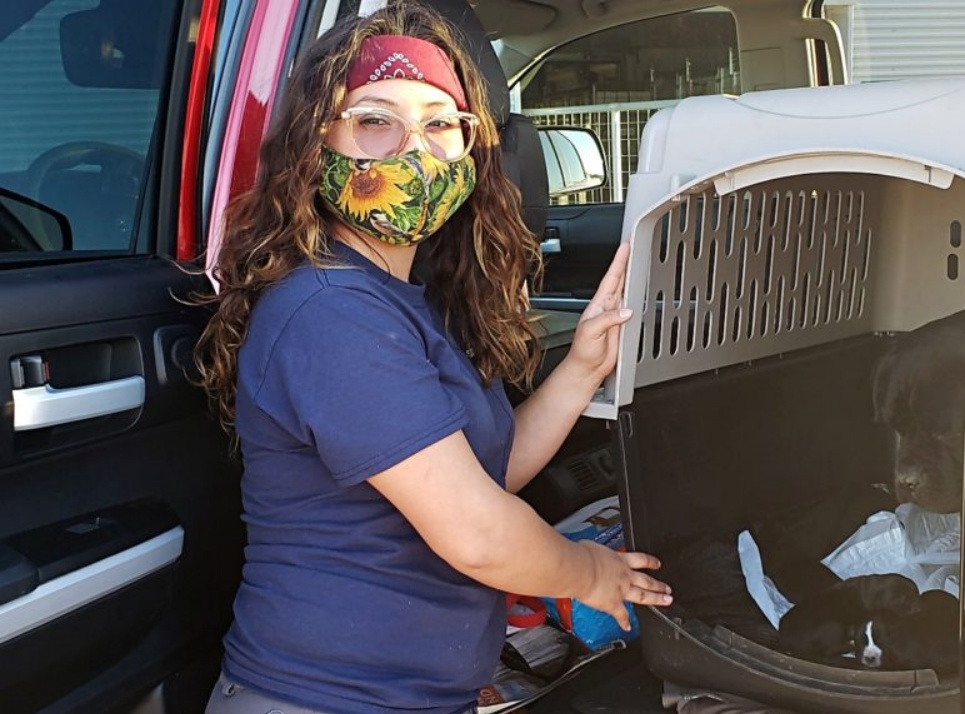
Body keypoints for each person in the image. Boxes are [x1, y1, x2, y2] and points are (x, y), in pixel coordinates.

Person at [192, 3, 671, 713]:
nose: (413, 150)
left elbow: (480, 478)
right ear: (315, 143)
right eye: (375, 119)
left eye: (441, 124)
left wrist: (581, 369)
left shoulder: (404, 301)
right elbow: (477, 533)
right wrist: (589, 574)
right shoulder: (329, 312)